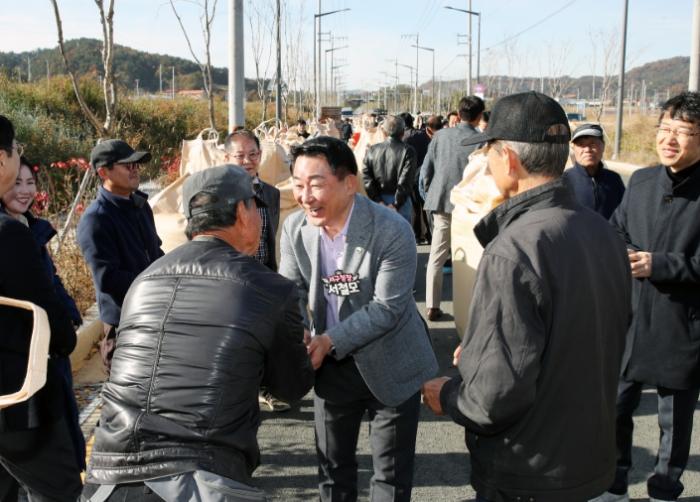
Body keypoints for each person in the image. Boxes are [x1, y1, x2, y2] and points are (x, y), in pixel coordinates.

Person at [421, 91, 632, 502]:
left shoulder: (513, 249)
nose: (484, 162)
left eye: (488, 152)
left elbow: (492, 398)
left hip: (528, 469)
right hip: (587, 457)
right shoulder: (602, 231)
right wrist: (483, 349)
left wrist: (446, 394)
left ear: (509, 159)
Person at [82, 164, 314, 501]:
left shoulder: (144, 280)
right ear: (242, 212)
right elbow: (290, 386)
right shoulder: (269, 289)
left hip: (108, 476)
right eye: (255, 206)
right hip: (199, 478)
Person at [279, 136, 438, 502]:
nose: (305, 197)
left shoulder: (391, 229)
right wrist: (299, 332)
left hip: (393, 360)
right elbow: (291, 292)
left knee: (390, 477)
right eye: (298, 185)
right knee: (332, 471)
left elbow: (387, 308)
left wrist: (328, 341)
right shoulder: (294, 228)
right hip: (331, 364)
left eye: (316, 184)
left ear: (349, 183)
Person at [593, 92, 700, 502]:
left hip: (682, 321)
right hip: (631, 317)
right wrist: (621, 252)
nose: (669, 139)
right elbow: (615, 229)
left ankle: (664, 488)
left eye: (683, 131)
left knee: (674, 420)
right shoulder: (641, 181)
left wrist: (661, 264)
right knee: (616, 407)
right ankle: (614, 482)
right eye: (664, 128)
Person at [0, 115, 82, 501]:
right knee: (58, 490)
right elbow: (46, 314)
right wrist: (66, 339)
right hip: (19, 400)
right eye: (16, 150)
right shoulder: (8, 233)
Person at [77, 139, 164, 371]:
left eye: (136, 164)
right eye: (127, 165)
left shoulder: (140, 206)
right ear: (103, 172)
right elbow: (108, 278)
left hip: (155, 315)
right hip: (125, 325)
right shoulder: (96, 219)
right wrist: (155, 283)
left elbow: (155, 251)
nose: (135, 170)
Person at [224, 129, 287, 413]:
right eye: (240, 156)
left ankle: (265, 388)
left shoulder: (271, 193)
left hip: (264, 273)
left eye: (253, 154)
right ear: (227, 158)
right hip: (233, 278)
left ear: (260, 156)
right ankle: (237, 394)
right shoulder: (219, 195)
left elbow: (271, 234)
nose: (247, 161)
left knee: (267, 335)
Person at [421, 96, 484, 321]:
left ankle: (432, 305)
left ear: (458, 113)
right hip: (470, 207)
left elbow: (426, 170)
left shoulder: (440, 136)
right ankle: (469, 310)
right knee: (470, 258)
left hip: (441, 202)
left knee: (436, 256)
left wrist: (429, 194)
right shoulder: (481, 140)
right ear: (479, 116)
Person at [562, 123, 625, 219]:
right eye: (581, 144)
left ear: (603, 146)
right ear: (573, 148)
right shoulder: (564, 181)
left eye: (592, 144)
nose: (587, 149)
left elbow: (625, 215)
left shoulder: (614, 180)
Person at [362, 115, 417, 223]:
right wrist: (396, 204)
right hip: (401, 201)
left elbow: (366, 177)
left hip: (379, 200)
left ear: (384, 131)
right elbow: (406, 181)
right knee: (402, 232)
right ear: (403, 132)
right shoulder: (408, 151)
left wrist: (378, 201)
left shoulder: (372, 150)